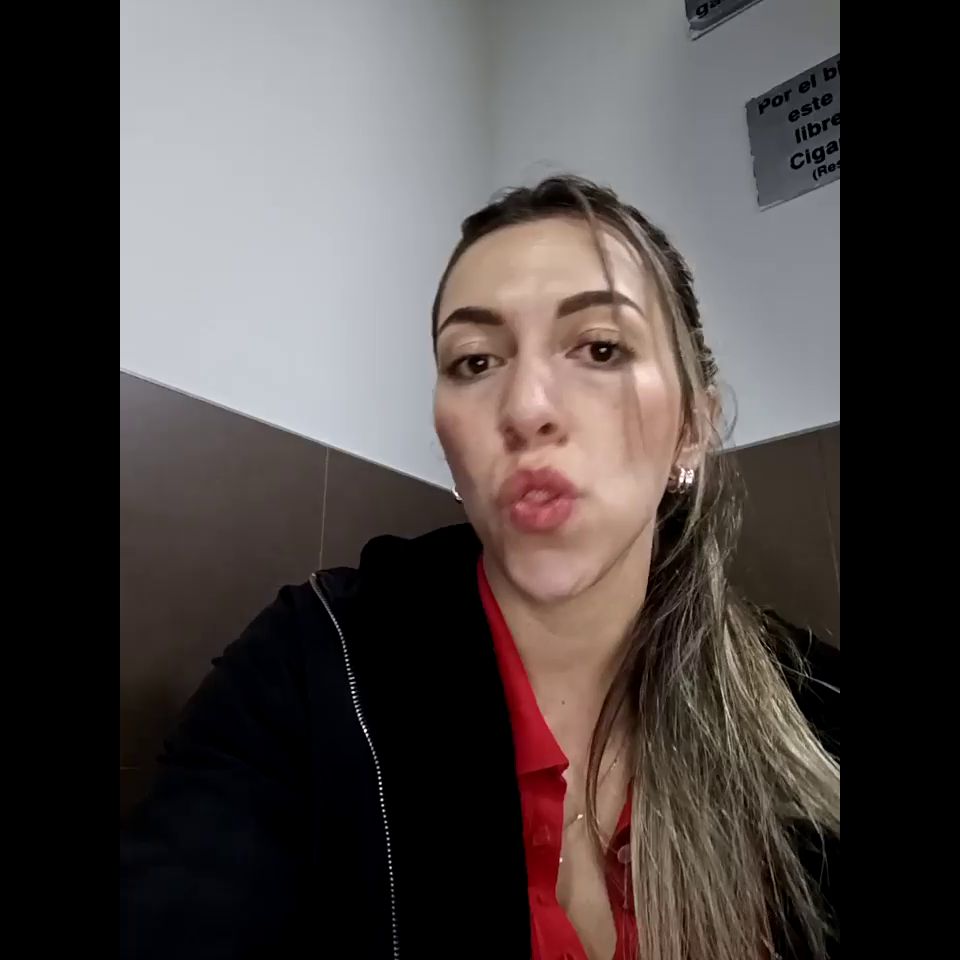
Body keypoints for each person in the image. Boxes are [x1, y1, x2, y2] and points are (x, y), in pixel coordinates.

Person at [121, 175, 839, 960]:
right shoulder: (314, 666)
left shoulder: (815, 711)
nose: (525, 408)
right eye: (473, 361)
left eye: (601, 348)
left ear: (692, 429)